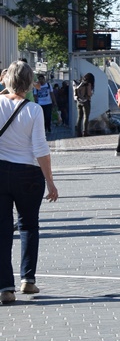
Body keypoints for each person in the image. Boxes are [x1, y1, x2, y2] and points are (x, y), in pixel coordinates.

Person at [0, 60, 59, 304]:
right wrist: (51, 181)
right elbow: (40, 149)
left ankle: (5, 287)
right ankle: (28, 280)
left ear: (6, 79)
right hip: (29, 173)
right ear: (30, 83)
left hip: (0, 170)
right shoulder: (33, 110)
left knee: (2, 231)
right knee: (28, 226)